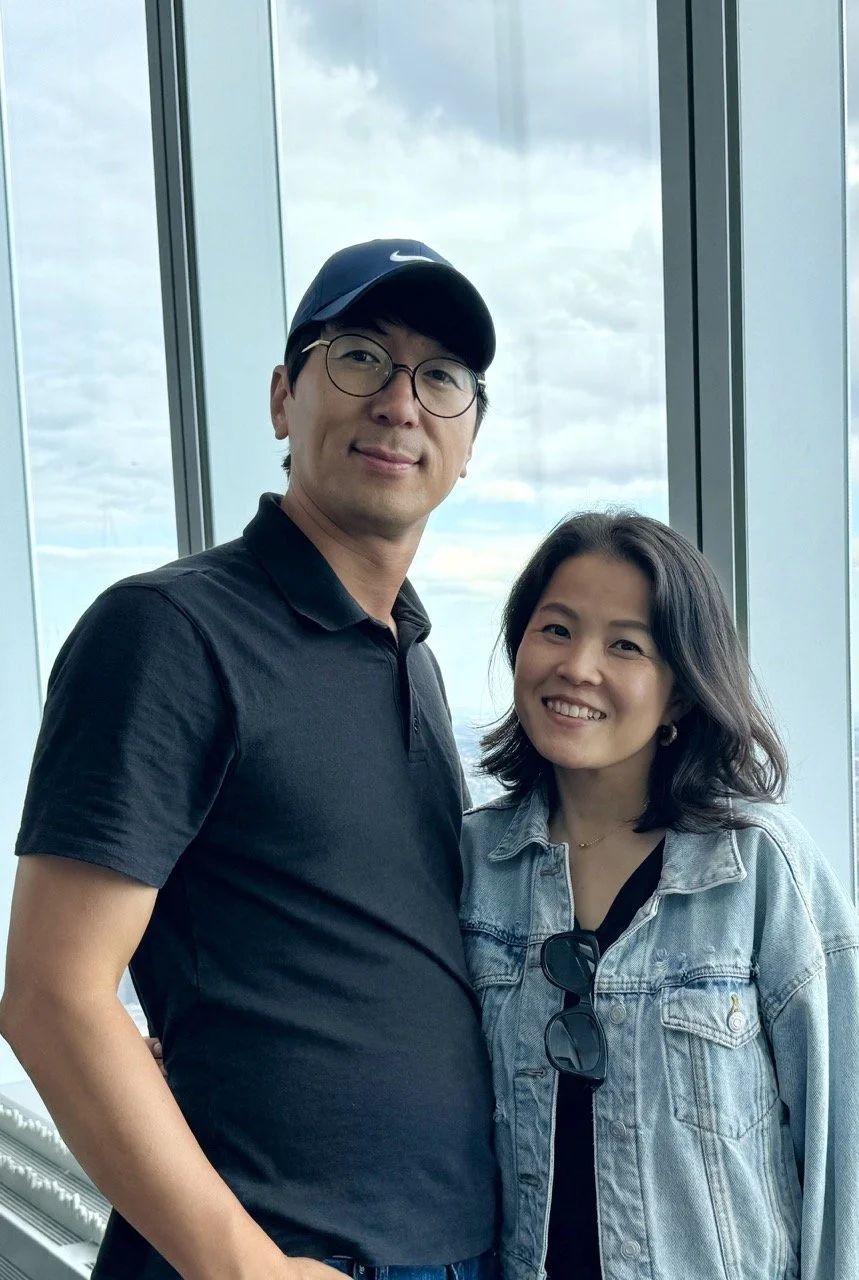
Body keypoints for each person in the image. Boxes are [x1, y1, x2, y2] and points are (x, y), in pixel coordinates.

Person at [0, 240, 500, 1280]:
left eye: (439, 377)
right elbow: (52, 992)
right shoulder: (169, 631)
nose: (400, 402)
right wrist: (245, 1266)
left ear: (468, 439)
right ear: (284, 397)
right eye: (359, 356)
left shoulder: (412, 656)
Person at [459, 511, 859, 1280]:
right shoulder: (474, 860)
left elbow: (853, 1156)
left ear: (679, 694)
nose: (578, 667)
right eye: (557, 630)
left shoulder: (759, 870)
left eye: (626, 646)